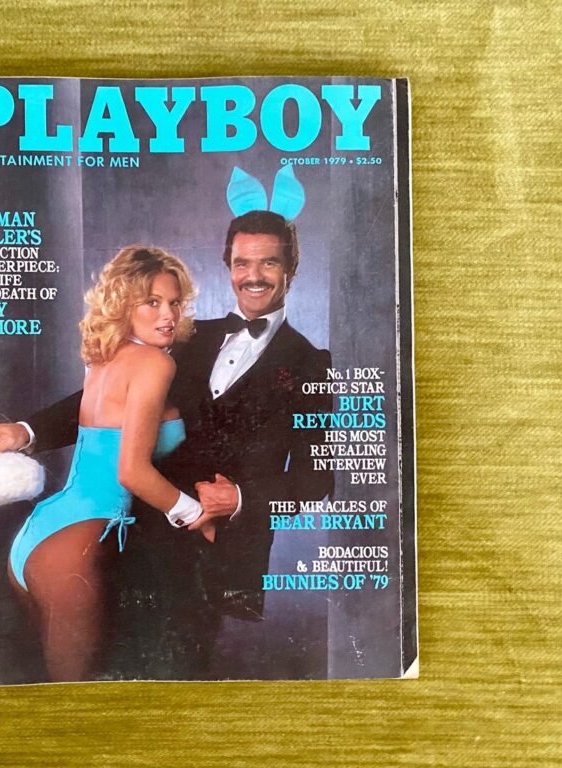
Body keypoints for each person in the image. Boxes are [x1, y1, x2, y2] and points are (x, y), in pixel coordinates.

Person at [21, 211, 334, 678]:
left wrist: (241, 498)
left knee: (178, 676)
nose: (253, 275)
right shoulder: (181, 335)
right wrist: (26, 431)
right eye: (242, 263)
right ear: (228, 265)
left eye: (269, 263)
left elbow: (317, 478)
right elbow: (106, 401)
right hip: (133, 536)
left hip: (213, 554)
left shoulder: (312, 363)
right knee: (110, 667)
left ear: (292, 267)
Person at [0, 246, 209, 682]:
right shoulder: (155, 362)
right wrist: (195, 513)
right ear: (122, 304)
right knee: (71, 697)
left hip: (43, 530)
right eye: (151, 302)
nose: (168, 314)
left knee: (52, 687)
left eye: (174, 302)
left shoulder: (106, 359)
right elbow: (132, 471)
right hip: (78, 542)